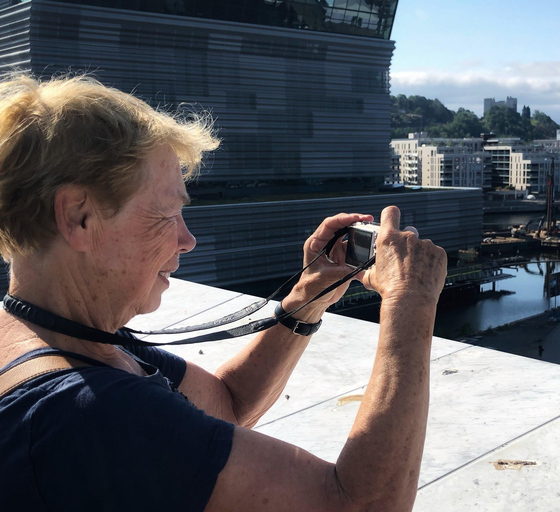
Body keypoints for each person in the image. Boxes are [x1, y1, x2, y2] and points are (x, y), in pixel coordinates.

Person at [0, 73, 447, 511]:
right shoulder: (92, 412)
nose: (186, 238)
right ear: (78, 217)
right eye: (167, 215)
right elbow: (363, 505)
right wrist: (411, 299)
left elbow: (227, 405)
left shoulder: (55, 336)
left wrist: (310, 294)